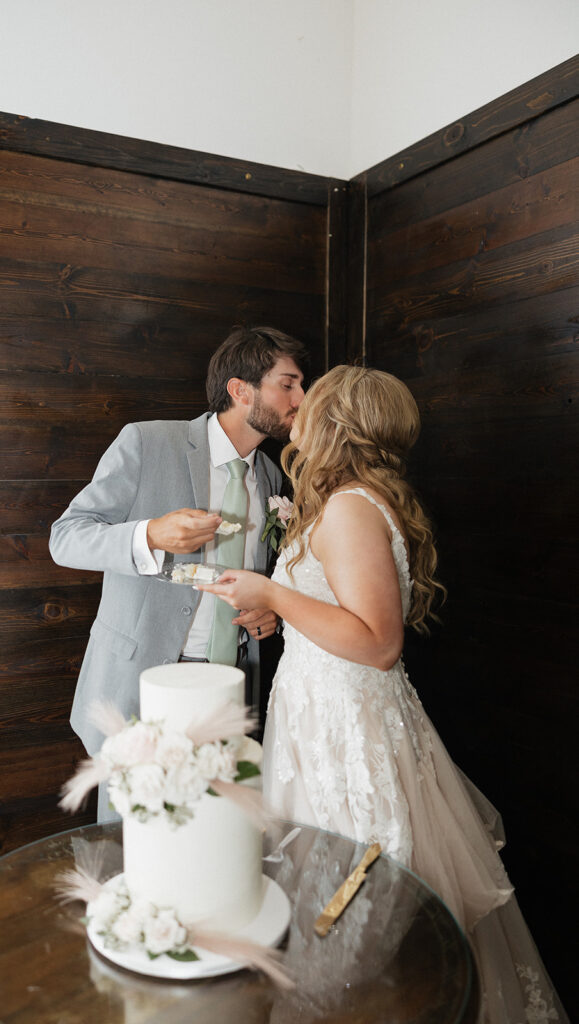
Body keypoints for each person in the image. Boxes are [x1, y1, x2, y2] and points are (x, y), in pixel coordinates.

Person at [198, 364, 568, 1023]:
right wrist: (274, 610)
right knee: (330, 901)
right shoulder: (345, 501)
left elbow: (376, 643)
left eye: (312, 400)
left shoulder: (349, 508)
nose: (298, 407)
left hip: (349, 735)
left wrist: (273, 593)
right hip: (319, 714)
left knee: (358, 908)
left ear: (335, 423)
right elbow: (338, 613)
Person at [49, 325, 306, 820]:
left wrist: (267, 608)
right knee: (130, 835)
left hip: (232, 683)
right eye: (289, 383)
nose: (301, 397)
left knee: (213, 829)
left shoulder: (273, 475)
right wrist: (148, 535)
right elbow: (66, 537)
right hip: (140, 680)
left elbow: (259, 578)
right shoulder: (147, 442)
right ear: (240, 389)